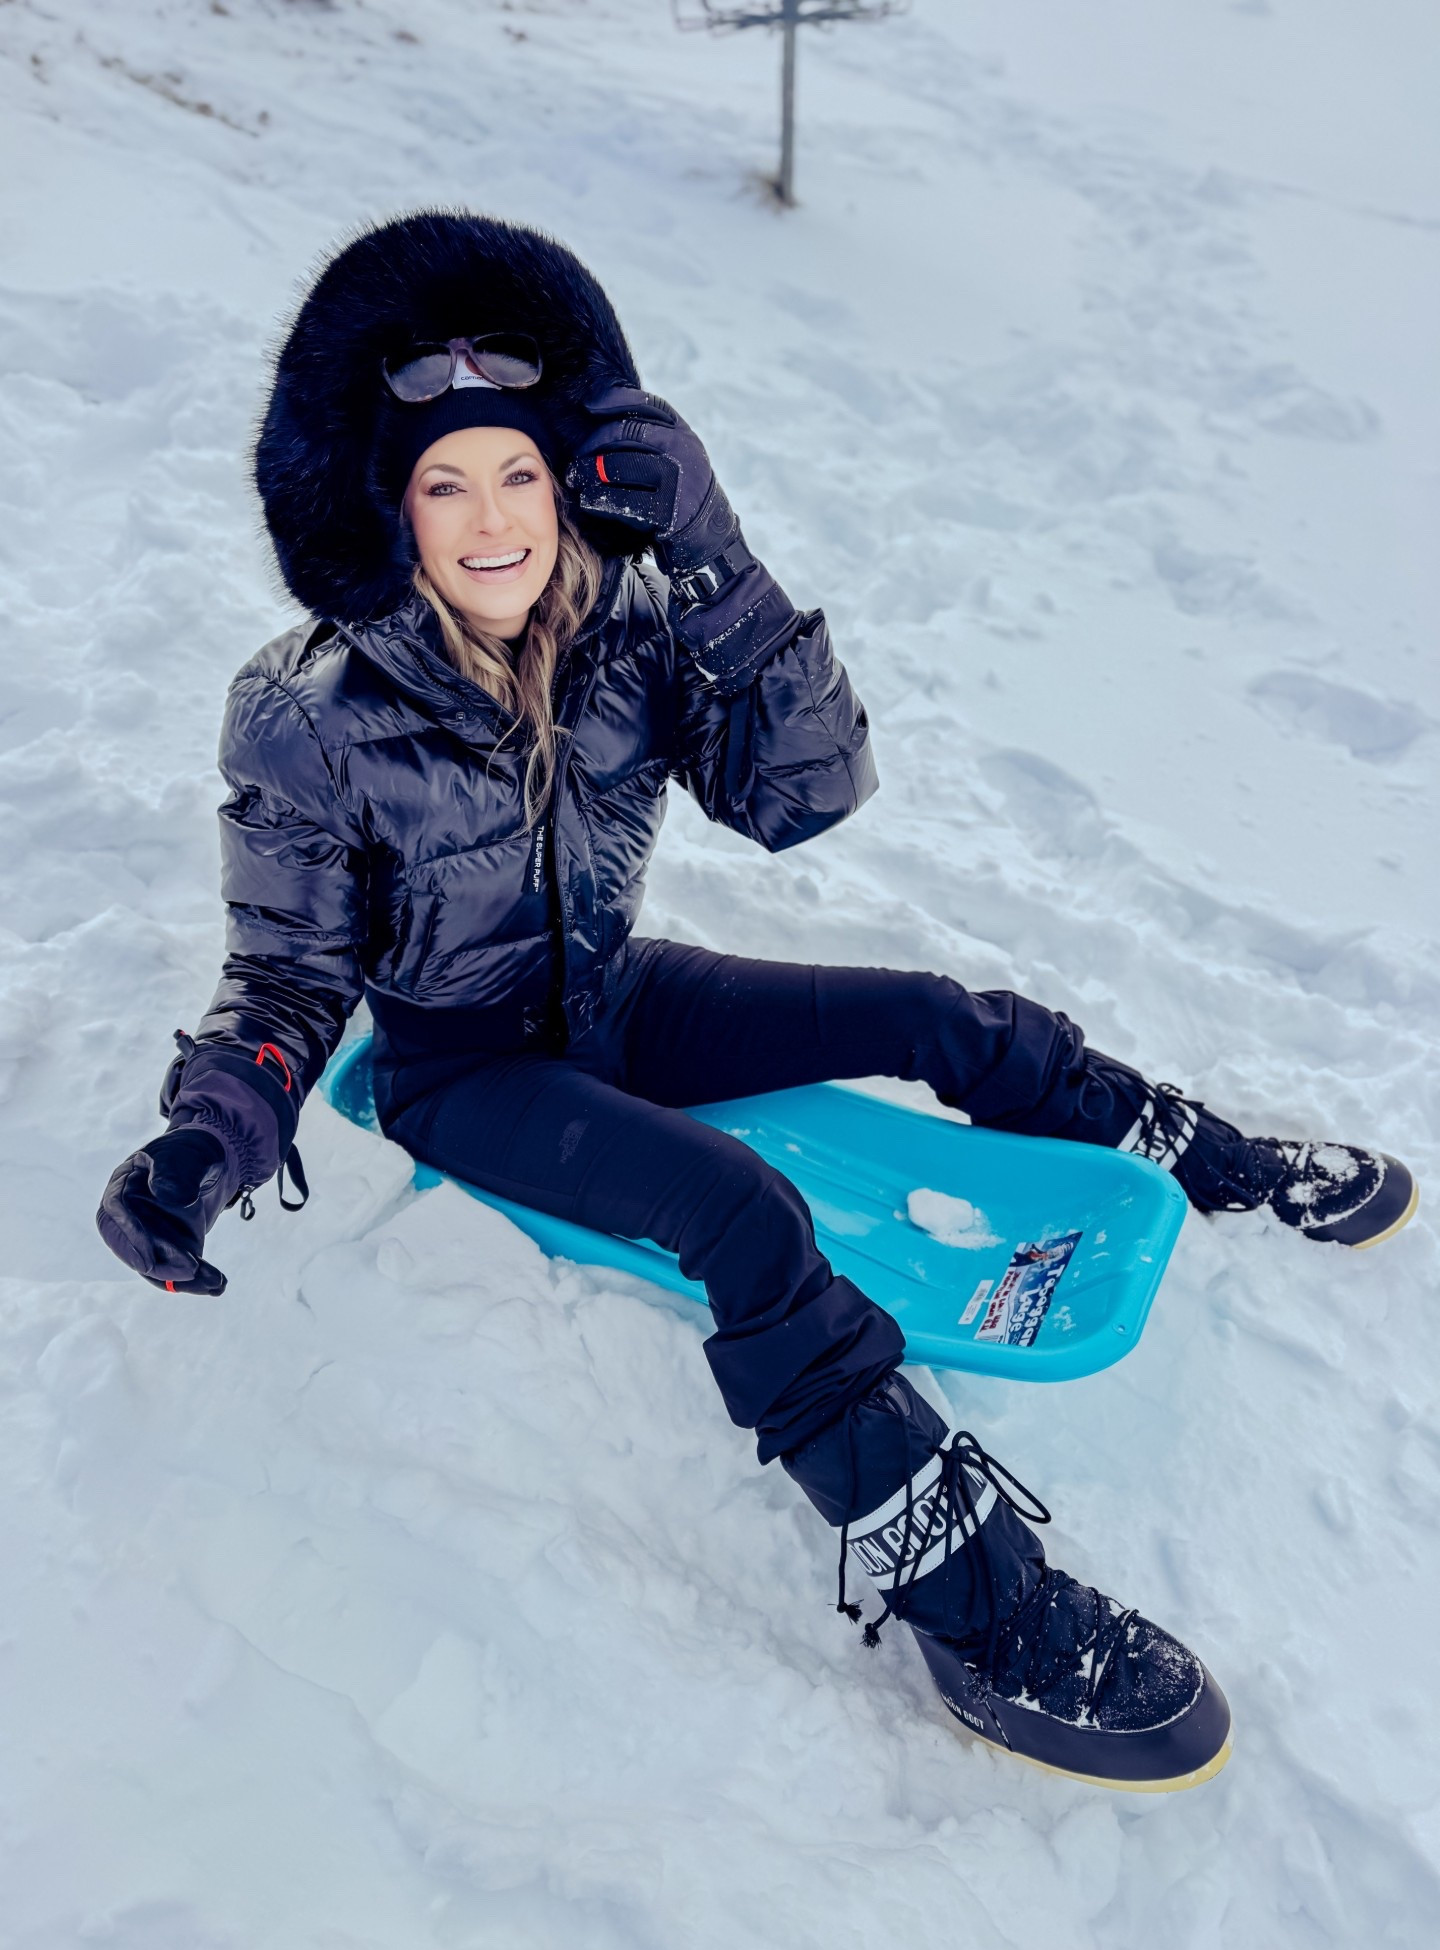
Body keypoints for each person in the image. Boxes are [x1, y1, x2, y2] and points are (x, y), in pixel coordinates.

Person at [97, 212, 1416, 1794]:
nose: (492, 519)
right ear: (395, 508)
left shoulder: (631, 622)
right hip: (464, 1066)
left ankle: (1198, 1152)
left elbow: (806, 794)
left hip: (616, 999)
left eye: (517, 470)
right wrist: (214, 1130)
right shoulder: (305, 711)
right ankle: (974, 1599)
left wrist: (718, 559)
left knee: (939, 1012)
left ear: (567, 473)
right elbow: (287, 973)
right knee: (740, 1210)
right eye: (447, 484)